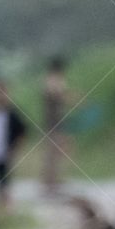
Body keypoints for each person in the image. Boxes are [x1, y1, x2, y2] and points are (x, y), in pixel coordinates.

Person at [41, 57, 70, 194]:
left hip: (56, 120)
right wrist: (73, 98)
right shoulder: (53, 79)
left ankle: (53, 180)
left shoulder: (52, 79)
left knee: (56, 151)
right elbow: (56, 95)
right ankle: (49, 182)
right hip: (53, 121)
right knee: (52, 152)